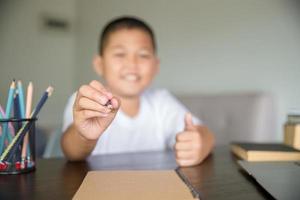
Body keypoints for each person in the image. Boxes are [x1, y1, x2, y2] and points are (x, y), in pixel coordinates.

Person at [61, 16, 215, 167]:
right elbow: (72, 153)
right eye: (120, 54)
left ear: (156, 66)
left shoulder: (161, 102)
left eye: (143, 55)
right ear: (99, 64)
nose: (132, 64)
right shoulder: (85, 101)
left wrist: (200, 141)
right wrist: (84, 136)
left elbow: (205, 133)